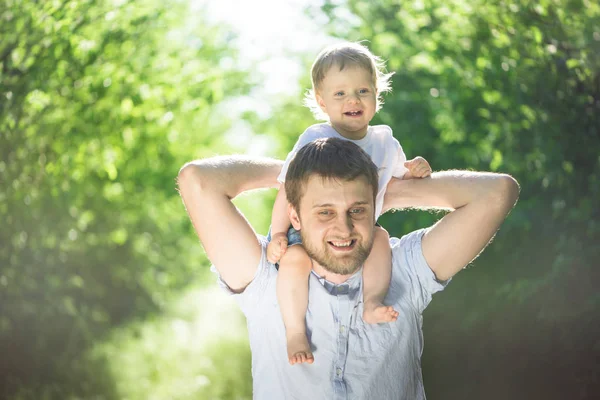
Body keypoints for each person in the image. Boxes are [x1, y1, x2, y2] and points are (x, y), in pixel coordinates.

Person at [177, 138, 519, 399]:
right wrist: (292, 174)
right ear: (294, 216)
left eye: (357, 210)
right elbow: (197, 181)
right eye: (324, 211)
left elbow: (497, 192)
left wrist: (389, 192)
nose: (343, 228)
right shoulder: (268, 278)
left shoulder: (404, 268)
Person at [266, 42, 432, 365]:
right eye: (340, 94)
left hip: (360, 234)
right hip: (308, 237)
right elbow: (288, 188)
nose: (353, 100)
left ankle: (371, 302)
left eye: (362, 91)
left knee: (382, 239)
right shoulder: (314, 138)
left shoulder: (385, 142)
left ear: (376, 95)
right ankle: (295, 330)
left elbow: (401, 171)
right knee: (294, 262)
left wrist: (415, 168)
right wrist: (278, 234)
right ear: (321, 100)